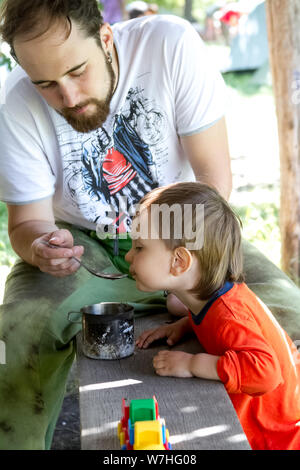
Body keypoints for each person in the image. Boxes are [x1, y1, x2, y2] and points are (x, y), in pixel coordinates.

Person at [0, 0, 299, 450]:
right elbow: (27, 223)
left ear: (105, 38)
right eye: (45, 84)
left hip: (184, 228)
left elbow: (213, 183)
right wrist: (41, 245)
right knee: (19, 330)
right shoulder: (12, 103)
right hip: (85, 246)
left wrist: (187, 274)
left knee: (287, 316)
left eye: (77, 71)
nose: (69, 97)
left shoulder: (170, 45)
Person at [126, 182, 300, 450]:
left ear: (179, 262)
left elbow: (265, 373)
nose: (128, 255)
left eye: (139, 248)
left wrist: (192, 364)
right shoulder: (211, 300)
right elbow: (218, 324)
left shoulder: (229, 315)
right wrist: (186, 325)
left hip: (274, 435)